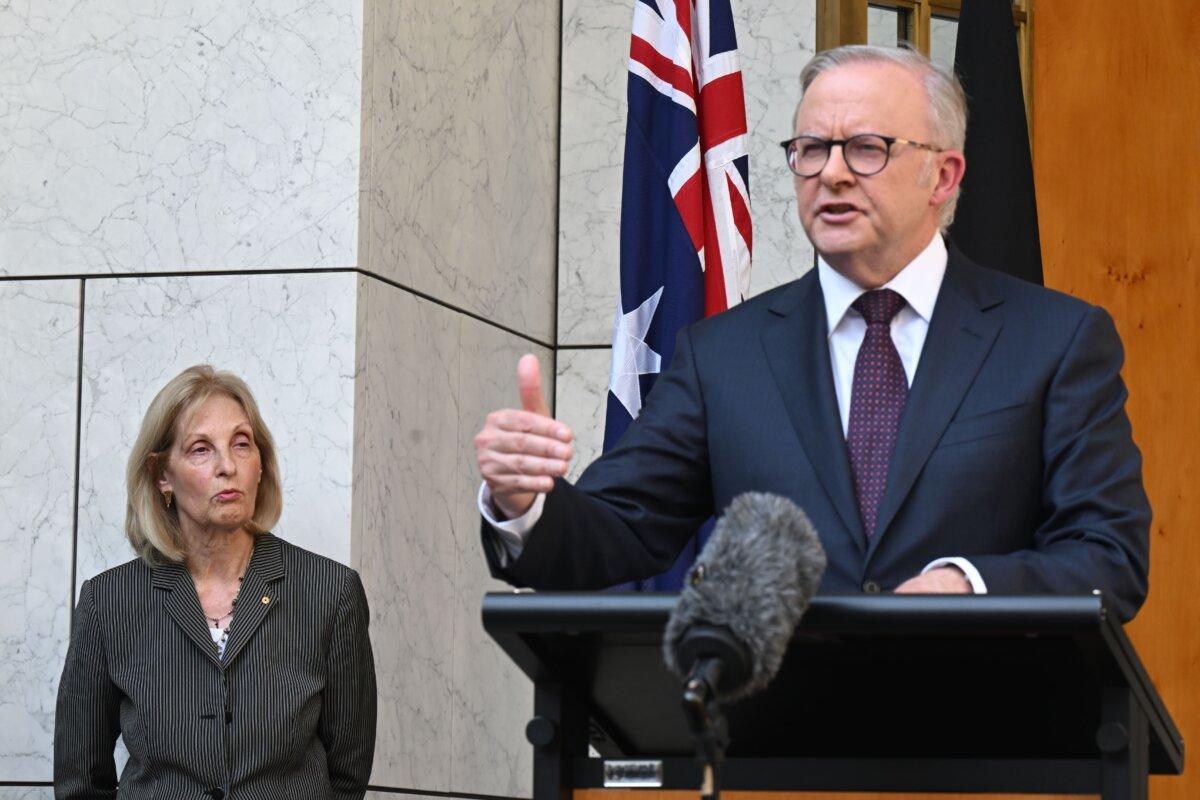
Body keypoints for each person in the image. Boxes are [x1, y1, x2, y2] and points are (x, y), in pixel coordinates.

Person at [472, 45, 1151, 621]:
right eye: (811, 149)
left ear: (942, 175)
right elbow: (615, 533)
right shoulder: (724, 356)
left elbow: (1108, 556)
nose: (830, 173)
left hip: (985, 747)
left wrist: (965, 586)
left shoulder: (1054, 341)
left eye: (866, 149)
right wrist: (524, 500)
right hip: (777, 747)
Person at [54, 365, 376, 799]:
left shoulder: (330, 593)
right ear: (161, 475)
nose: (228, 466)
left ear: (261, 464)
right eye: (201, 449)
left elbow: (347, 778)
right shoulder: (109, 602)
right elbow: (80, 783)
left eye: (242, 444)